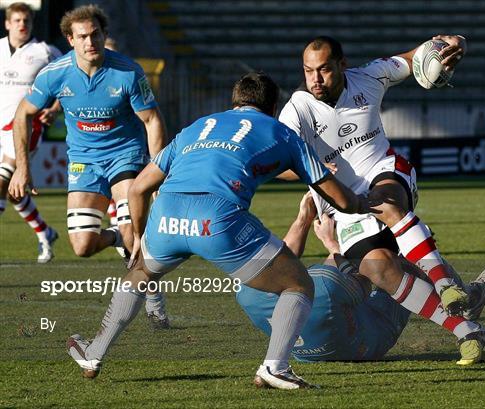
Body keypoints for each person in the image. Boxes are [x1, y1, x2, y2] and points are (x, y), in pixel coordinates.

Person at [66, 72, 378, 390]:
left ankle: (94, 353)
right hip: (217, 220)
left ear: (234, 102)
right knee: (298, 285)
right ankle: (275, 367)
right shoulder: (282, 133)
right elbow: (341, 199)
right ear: (273, 107)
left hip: (166, 216)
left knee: (140, 274)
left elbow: (138, 189)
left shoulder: (197, 127)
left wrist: (140, 238)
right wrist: (366, 202)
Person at [279, 35, 478, 316]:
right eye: (308, 71)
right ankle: (466, 322)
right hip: (344, 206)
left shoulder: (369, 76)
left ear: (342, 65)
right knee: (381, 269)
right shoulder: (296, 110)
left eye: (323, 69)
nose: (316, 79)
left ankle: (445, 284)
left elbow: (413, 58)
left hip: (386, 172)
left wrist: (457, 43)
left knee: (385, 202)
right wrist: (310, 167)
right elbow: (277, 162)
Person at [7, 4, 170, 328]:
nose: (90, 41)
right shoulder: (56, 74)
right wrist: (23, 169)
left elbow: (152, 120)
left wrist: (155, 175)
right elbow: (22, 115)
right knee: (82, 246)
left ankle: (154, 299)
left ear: (104, 34)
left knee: (133, 233)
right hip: (84, 162)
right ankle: (115, 239)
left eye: (96, 34)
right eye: (82, 36)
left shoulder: (127, 71)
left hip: (126, 156)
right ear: (70, 39)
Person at [238, 193, 485, 366]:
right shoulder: (323, 288)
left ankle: (461, 303)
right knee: (385, 262)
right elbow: (362, 279)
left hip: (306, 356)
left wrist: (304, 220)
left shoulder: (246, 293)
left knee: (355, 270)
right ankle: (466, 302)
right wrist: (333, 244)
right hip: (369, 336)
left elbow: (287, 258)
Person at [0, 2, 62, 262]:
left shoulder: (45, 52)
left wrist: (56, 108)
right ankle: (45, 232)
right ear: (7, 23)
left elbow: (69, 79)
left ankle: (45, 233)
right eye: (17, 20)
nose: (22, 25)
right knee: (15, 191)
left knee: (2, 182)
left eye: (26, 20)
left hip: (26, 126)